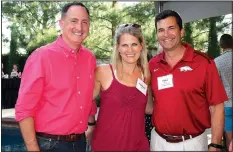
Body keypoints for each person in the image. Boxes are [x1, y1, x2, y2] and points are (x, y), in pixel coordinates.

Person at [15, 2, 97, 152]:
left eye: (84, 22)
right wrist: (33, 148)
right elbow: (24, 109)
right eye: (74, 21)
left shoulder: (90, 58)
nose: (79, 27)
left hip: (79, 142)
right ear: (61, 23)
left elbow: (88, 96)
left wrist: (91, 124)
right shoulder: (41, 57)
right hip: (49, 144)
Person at [149, 10, 228, 151]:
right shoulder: (152, 64)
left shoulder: (204, 63)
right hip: (158, 142)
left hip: (192, 143)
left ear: (182, 31)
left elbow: (217, 107)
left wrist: (215, 144)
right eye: (161, 30)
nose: (166, 34)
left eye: (171, 28)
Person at [90, 23, 153, 151]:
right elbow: (85, 101)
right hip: (106, 145)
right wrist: (90, 123)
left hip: (137, 146)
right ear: (118, 47)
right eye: (124, 45)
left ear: (141, 46)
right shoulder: (104, 72)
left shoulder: (145, 75)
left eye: (134, 44)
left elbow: (148, 108)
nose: (130, 50)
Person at [214, 34, 232, 151]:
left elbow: (216, 84)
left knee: (229, 132)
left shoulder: (217, 61)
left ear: (221, 45)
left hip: (227, 102)